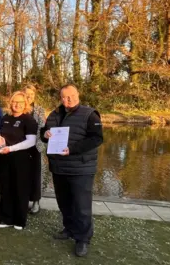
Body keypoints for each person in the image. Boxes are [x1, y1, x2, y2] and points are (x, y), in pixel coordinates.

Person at [41, 84, 103, 257]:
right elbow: (44, 133)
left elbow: (97, 139)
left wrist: (73, 149)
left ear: (78, 95)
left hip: (81, 168)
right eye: (65, 97)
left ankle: (83, 238)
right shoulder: (54, 114)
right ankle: (69, 229)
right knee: (64, 202)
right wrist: (45, 135)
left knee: (81, 205)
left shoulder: (90, 114)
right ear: (60, 98)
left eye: (72, 96)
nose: (69, 100)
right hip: (59, 167)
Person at [0, 91, 37, 230]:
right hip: (5, 159)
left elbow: (31, 141)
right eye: (14, 101)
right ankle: (6, 218)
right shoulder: (6, 117)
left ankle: (19, 220)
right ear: (10, 103)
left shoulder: (28, 120)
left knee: (20, 188)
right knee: (5, 187)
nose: (16, 104)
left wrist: (11, 149)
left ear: (25, 104)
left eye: (20, 102)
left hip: (22, 160)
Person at [22, 85, 46, 214]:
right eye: (26, 94)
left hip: (35, 147)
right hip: (21, 147)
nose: (29, 96)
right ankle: (23, 200)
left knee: (36, 174)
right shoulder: (19, 108)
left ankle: (36, 201)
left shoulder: (39, 110)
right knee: (22, 175)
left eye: (31, 94)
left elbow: (42, 127)